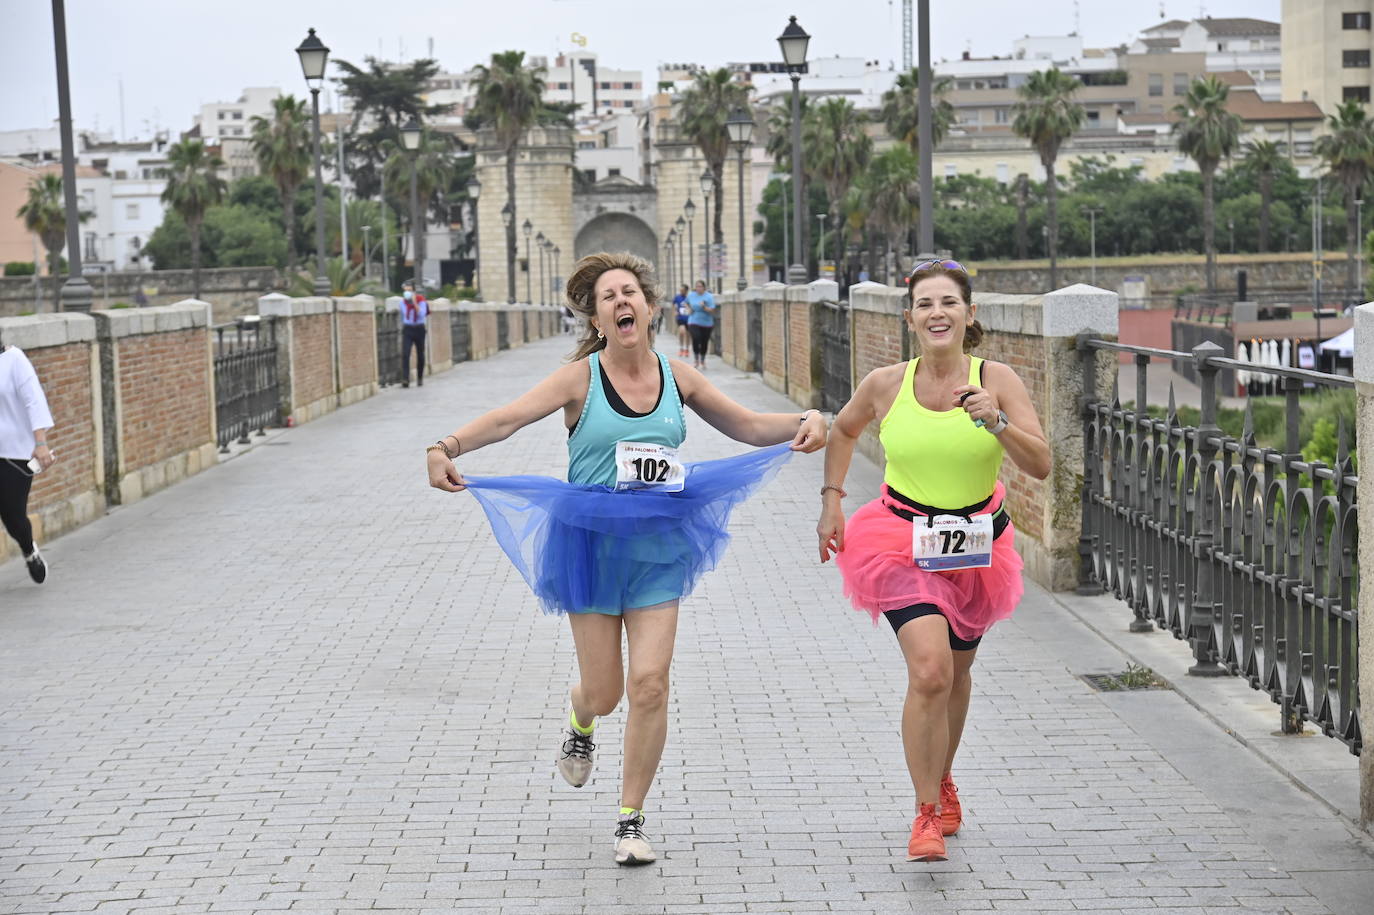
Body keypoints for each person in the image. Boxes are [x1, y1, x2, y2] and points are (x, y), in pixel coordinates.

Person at [426, 252, 827, 866]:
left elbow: (745, 425)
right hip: (588, 546)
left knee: (649, 684)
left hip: (659, 546)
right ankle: (580, 719)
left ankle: (630, 818)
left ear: (649, 305)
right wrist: (445, 446)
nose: (621, 302)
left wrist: (806, 419)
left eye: (629, 293)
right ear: (596, 316)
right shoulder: (579, 380)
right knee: (607, 690)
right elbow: (508, 419)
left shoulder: (679, 376)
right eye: (608, 297)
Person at [815, 259, 1050, 863]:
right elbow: (842, 431)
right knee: (930, 671)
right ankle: (924, 814)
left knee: (958, 674)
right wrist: (832, 504)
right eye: (924, 304)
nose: (936, 313)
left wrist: (996, 421)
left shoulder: (996, 379)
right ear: (909, 317)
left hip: (978, 546)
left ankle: (942, 777)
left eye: (949, 302)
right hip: (901, 542)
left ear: (970, 314)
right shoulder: (887, 384)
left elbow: (1041, 465)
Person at [0, 328, 56, 583]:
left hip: (15, 453)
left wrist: (41, 443)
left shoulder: (15, 360)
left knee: (12, 516)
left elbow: (34, 400)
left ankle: (28, 550)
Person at [399, 280, 429, 388]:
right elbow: (403, 317)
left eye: (410, 290)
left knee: (420, 354)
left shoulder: (421, 301)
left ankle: (420, 377)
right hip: (408, 329)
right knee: (405, 353)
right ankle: (405, 379)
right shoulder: (402, 302)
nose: (407, 292)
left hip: (419, 329)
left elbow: (422, 314)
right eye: (406, 290)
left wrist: (415, 302)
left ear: (414, 291)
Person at [685, 279, 715, 370]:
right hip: (693, 320)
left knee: (704, 342)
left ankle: (702, 360)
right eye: (697, 286)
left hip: (706, 323)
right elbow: (686, 303)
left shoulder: (709, 297)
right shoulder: (691, 295)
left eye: (700, 286)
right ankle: (696, 360)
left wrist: (704, 307)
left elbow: (712, 310)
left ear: (704, 287)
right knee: (696, 338)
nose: (698, 288)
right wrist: (689, 309)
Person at [672, 284, 690, 357]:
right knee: (682, 332)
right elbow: (673, 305)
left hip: (688, 318)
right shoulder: (677, 297)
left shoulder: (689, 297)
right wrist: (675, 311)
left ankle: (687, 349)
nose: (681, 291)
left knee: (687, 334)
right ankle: (681, 348)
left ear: (686, 291)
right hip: (680, 318)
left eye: (682, 290)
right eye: (680, 290)